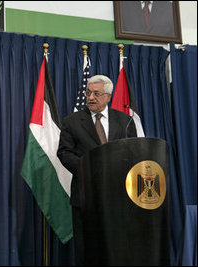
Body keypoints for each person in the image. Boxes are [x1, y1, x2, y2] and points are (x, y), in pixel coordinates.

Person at [57, 75, 137, 265]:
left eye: (96, 93)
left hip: (119, 198)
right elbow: (65, 153)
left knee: (117, 249)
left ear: (108, 96)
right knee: (86, 252)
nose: (90, 97)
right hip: (86, 196)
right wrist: (90, 170)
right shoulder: (72, 121)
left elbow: (133, 153)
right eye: (88, 93)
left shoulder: (125, 121)